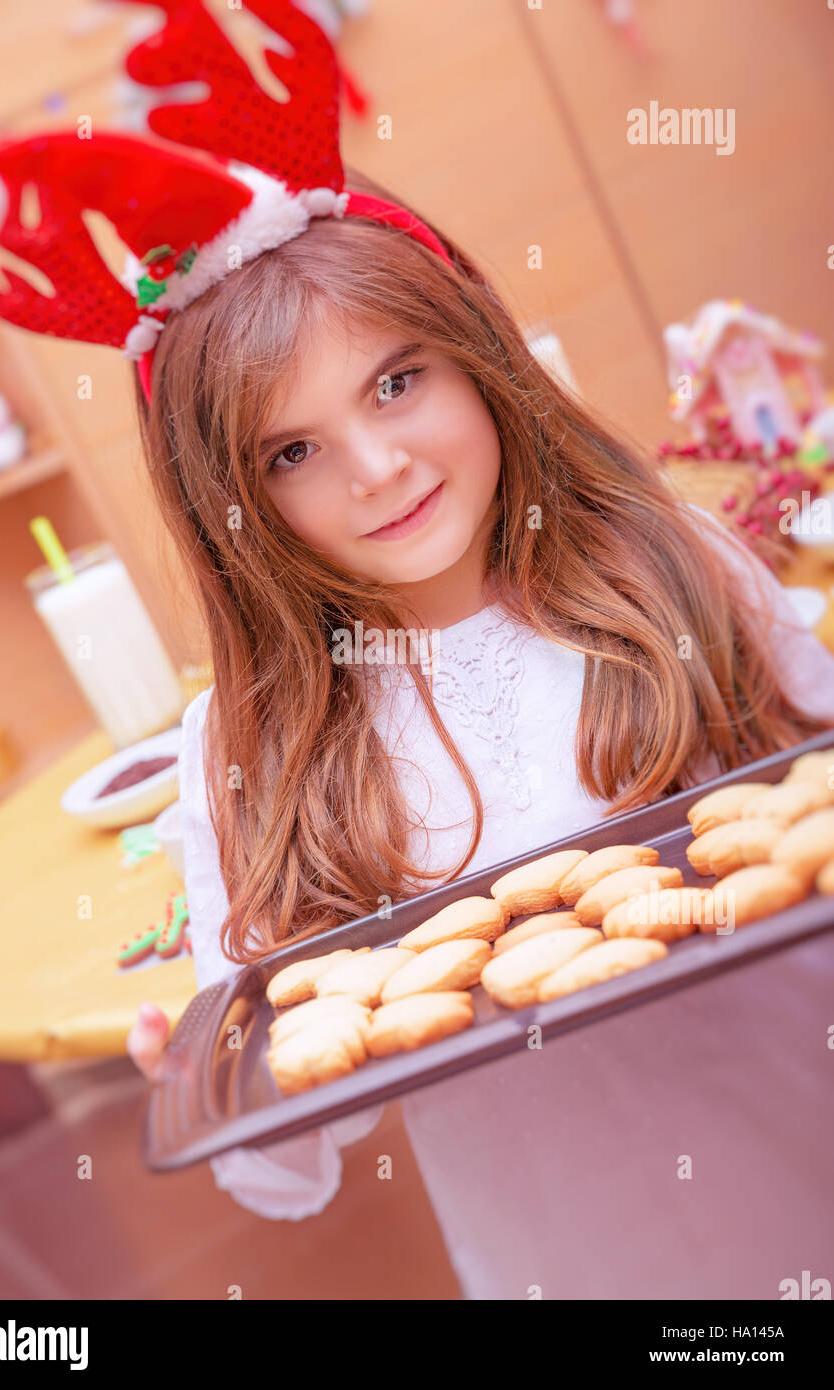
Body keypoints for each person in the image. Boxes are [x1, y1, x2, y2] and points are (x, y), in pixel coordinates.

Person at [126, 167, 834, 1299]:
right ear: (234, 505)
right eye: (291, 452)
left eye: (397, 382)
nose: (378, 467)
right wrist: (207, 1081)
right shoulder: (253, 743)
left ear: (478, 354)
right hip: (569, 1261)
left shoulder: (672, 563)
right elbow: (286, 1162)